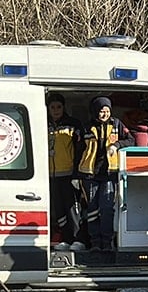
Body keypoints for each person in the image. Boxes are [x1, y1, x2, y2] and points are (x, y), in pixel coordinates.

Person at [76, 96, 133, 252]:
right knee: (92, 209)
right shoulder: (86, 127)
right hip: (89, 174)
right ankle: (95, 243)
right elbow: (78, 151)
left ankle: (107, 243)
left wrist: (116, 145)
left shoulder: (116, 124)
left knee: (107, 209)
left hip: (109, 174)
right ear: (95, 111)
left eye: (107, 111)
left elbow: (131, 140)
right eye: (101, 111)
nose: (104, 114)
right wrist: (76, 176)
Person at [46, 93, 86, 251]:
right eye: (52, 107)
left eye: (59, 107)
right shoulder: (44, 123)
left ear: (64, 107)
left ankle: (79, 239)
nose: (56, 110)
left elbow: (81, 149)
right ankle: (66, 238)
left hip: (69, 174)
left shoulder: (73, 124)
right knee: (59, 209)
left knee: (72, 208)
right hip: (50, 174)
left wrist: (77, 174)